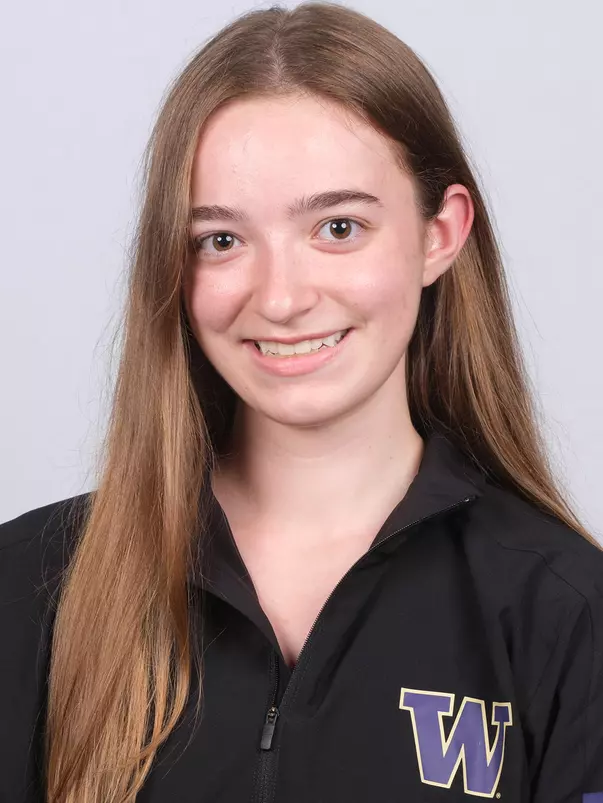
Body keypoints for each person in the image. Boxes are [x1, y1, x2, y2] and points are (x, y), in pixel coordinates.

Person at [1, 2, 602, 801]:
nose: (280, 298)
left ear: (439, 234)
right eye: (221, 239)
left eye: (339, 227)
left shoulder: (565, 611)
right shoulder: (29, 584)